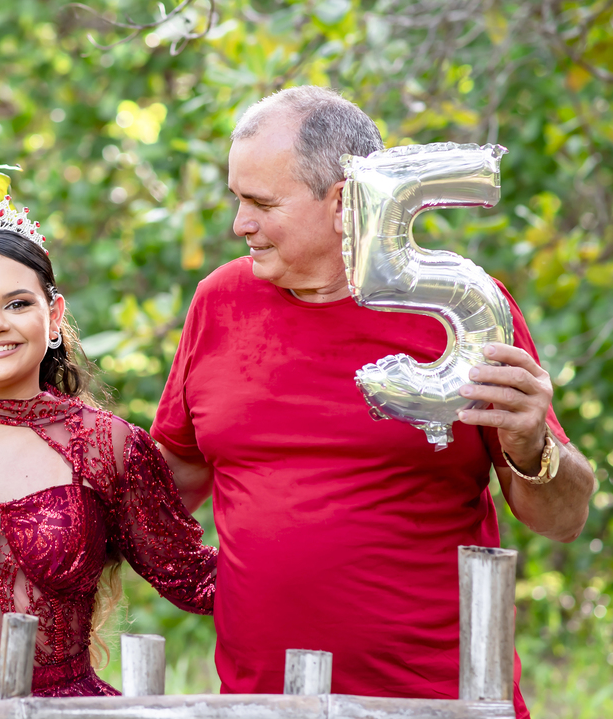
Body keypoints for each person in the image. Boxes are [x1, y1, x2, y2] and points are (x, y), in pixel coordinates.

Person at [152, 86, 594, 717]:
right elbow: (173, 477)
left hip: (440, 702)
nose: (239, 224)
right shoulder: (219, 301)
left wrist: (533, 443)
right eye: (237, 199)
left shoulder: (463, 308)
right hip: (260, 704)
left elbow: (564, 519)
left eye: (261, 203)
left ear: (340, 201)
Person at [0, 189, 218, 700]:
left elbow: (193, 578)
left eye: (17, 303)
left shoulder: (109, 445)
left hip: (61, 710)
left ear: (53, 316)